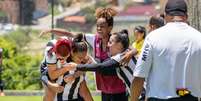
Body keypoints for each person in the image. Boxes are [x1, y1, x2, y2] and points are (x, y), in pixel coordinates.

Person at [40, 7, 130, 101]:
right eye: (97, 26)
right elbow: (71, 34)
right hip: (104, 87)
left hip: (118, 86)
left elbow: (131, 49)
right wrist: (51, 30)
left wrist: (131, 53)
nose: (99, 29)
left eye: (102, 26)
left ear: (110, 27)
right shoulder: (94, 39)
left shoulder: (115, 40)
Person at [131, 0, 201, 101]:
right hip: (189, 98)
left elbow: (139, 76)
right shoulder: (198, 37)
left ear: (165, 15)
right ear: (186, 16)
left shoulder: (153, 37)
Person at [69, 31, 136, 96]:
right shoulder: (125, 54)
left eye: (110, 42)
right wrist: (90, 61)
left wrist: (77, 66)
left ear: (119, 45)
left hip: (141, 94)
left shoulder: (122, 56)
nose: (107, 45)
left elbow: (101, 67)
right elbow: (103, 70)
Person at [56, 36, 93, 101]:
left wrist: (75, 75)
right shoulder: (63, 63)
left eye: (83, 57)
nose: (81, 60)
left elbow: (84, 91)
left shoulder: (81, 65)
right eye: (79, 57)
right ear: (72, 52)